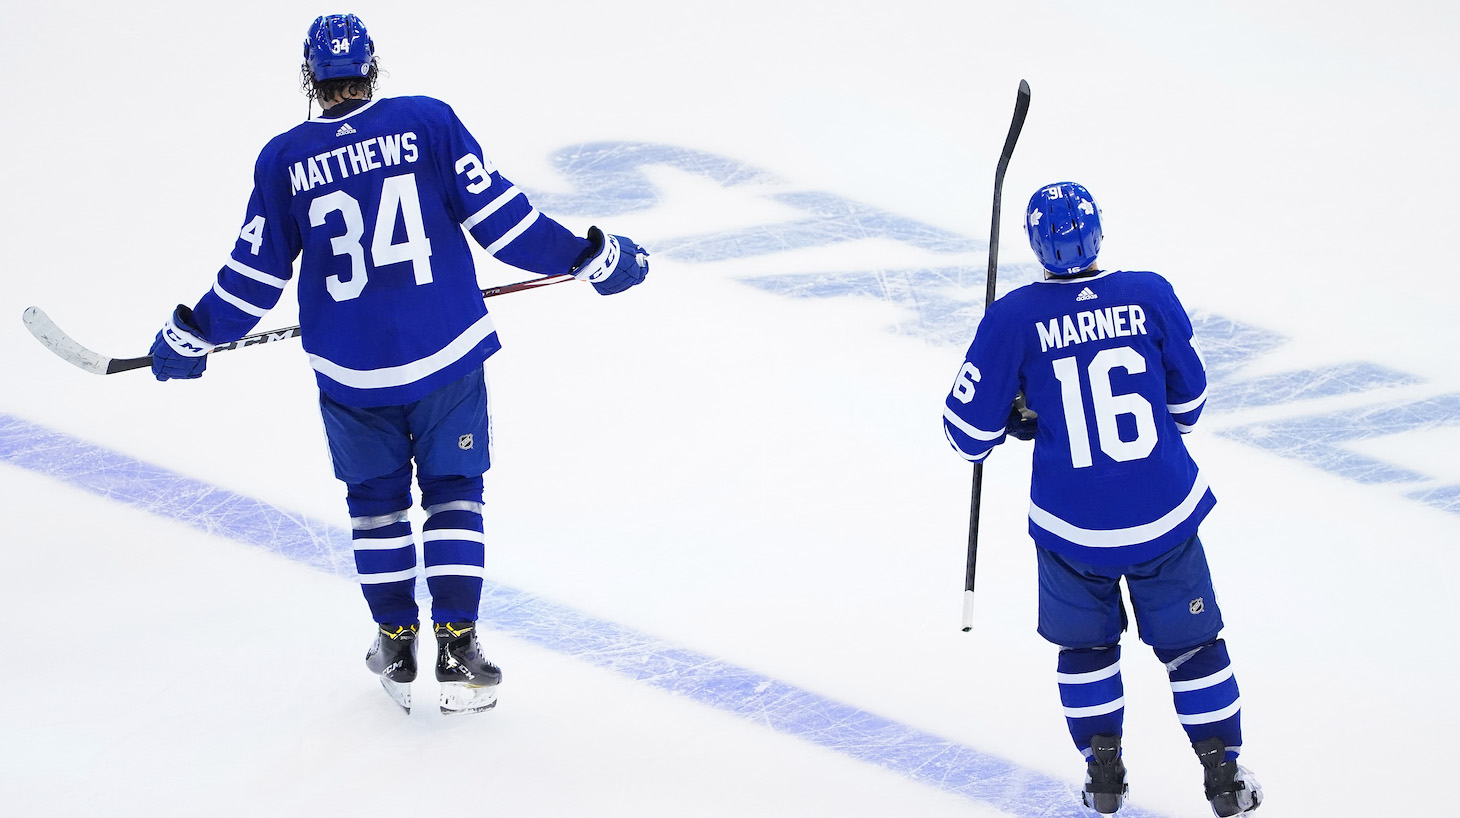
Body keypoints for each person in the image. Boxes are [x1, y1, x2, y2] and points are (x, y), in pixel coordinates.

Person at [149, 14, 649, 716]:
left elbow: (252, 278)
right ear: (372, 67)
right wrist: (588, 255)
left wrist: (195, 332)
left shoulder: (284, 158)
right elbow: (506, 224)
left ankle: (395, 637)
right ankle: (459, 645)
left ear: (309, 77)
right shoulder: (429, 123)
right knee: (453, 494)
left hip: (353, 375)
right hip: (446, 354)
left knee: (376, 508)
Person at [941, 182, 1261, 816]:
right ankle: (1223, 772)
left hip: (1073, 529)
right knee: (1194, 646)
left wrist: (1015, 408)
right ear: (1099, 232)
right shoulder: (1149, 294)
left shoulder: (1013, 316)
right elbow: (1188, 404)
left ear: (1035, 245)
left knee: (1086, 649)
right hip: (1164, 516)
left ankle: (1104, 769)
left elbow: (966, 435)